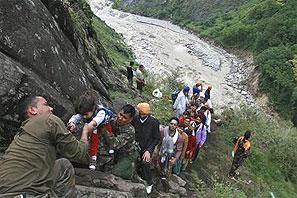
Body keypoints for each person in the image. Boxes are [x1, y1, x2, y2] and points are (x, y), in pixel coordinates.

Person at [0, 96, 89, 197]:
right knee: (64, 166)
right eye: (46, 104)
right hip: (24, 194)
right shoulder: (49, 120)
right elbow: (78, 153)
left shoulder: (22, 134)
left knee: (56, 165)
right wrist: (85, 132)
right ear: (33, 110)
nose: (51, 108)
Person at [67, 90, 113, 170]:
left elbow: (98, 119)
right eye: (82, 114)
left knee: (108, 136)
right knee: (94, 140)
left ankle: (110, 148)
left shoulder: (101, 111)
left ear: (93, 108)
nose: (83, 117)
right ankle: (93, 157)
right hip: (93, 126)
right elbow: (76, 117)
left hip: (104, 124)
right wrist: (72, 123)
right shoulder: (85, 111)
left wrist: (90, 125)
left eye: (85, 114)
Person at [100, 104, 138, 180]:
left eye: (124, 117)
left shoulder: (130, 130)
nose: (120, 118)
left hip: (128, 155)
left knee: (115, 173)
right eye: (120, 114)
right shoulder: (113, 120)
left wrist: (104, 130)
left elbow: (115, 144)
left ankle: (131, 172)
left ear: (130, 120)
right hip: (115, 152)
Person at [132, 103, 160, 194]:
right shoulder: (135, 119)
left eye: (145, 114)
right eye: (141, 113)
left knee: (145, 162)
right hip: (136, 145)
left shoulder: (154, 122)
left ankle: (149, 183)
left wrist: (149, 150)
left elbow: (157, 138)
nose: (142, 116)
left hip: (148, 147)